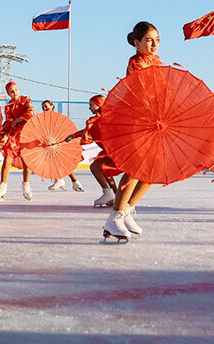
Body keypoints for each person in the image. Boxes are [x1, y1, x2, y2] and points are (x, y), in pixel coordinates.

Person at [102, 21, 162, 241]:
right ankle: (115, 217)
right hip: (138, 120)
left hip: (156, 120)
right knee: (136, 169)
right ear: (137, 43)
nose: (154, 44)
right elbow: (143, 91)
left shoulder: (157, 61)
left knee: (152, 171)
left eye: (157, 39)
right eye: (149, 40)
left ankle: (126, 210)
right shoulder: (136, 62)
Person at [66, 95, 118, 206]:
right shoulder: (100, 119)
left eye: (91, 105)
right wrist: (73, 135)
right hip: (110, 149)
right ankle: (115, 195)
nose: (89, 108)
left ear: (99, 104)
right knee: (104, 169)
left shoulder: (104, 119)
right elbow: (87, 131)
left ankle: (109, 193)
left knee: (96, 167)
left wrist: (74, 135)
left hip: (115, 149)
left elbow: (88, 132)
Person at [0, 81, 34, 201]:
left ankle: (26, 185)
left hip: (27, 133)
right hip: (15, 136)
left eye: (15, 89)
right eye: (11, 91)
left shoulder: (26, 100)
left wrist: (19, 119)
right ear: (8, 93)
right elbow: (9, 123)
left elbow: (30, 112)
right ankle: (2, 186)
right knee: (7, 158)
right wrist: (4, 135)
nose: (14, 92)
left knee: (27, 161)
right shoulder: (9, 106)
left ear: (18, 90)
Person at [40, 100, 85, 192]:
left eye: (46, 106)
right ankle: (71, 182)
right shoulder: (44, 119)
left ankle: (66, 181)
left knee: (63, 163)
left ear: (52, 106)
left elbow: (61, 129)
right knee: (56, 162)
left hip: (59, 142)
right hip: (52, 142)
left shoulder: (56, 117)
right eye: (43, 107)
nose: (45, 108)